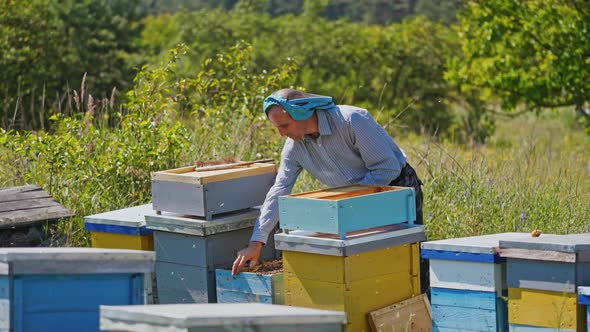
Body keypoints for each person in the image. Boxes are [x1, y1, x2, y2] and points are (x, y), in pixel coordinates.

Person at [232, 88, 425, 287]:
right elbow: (279, 190)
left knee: (408, 263)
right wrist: (256, 243)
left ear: (302, 113)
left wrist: (349, 201)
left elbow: (386, 167)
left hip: (395, 188)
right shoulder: (294, 148)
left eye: (284, 126)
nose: (282, 134)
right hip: (352, 202)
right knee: (367, 269)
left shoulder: (353, 120)